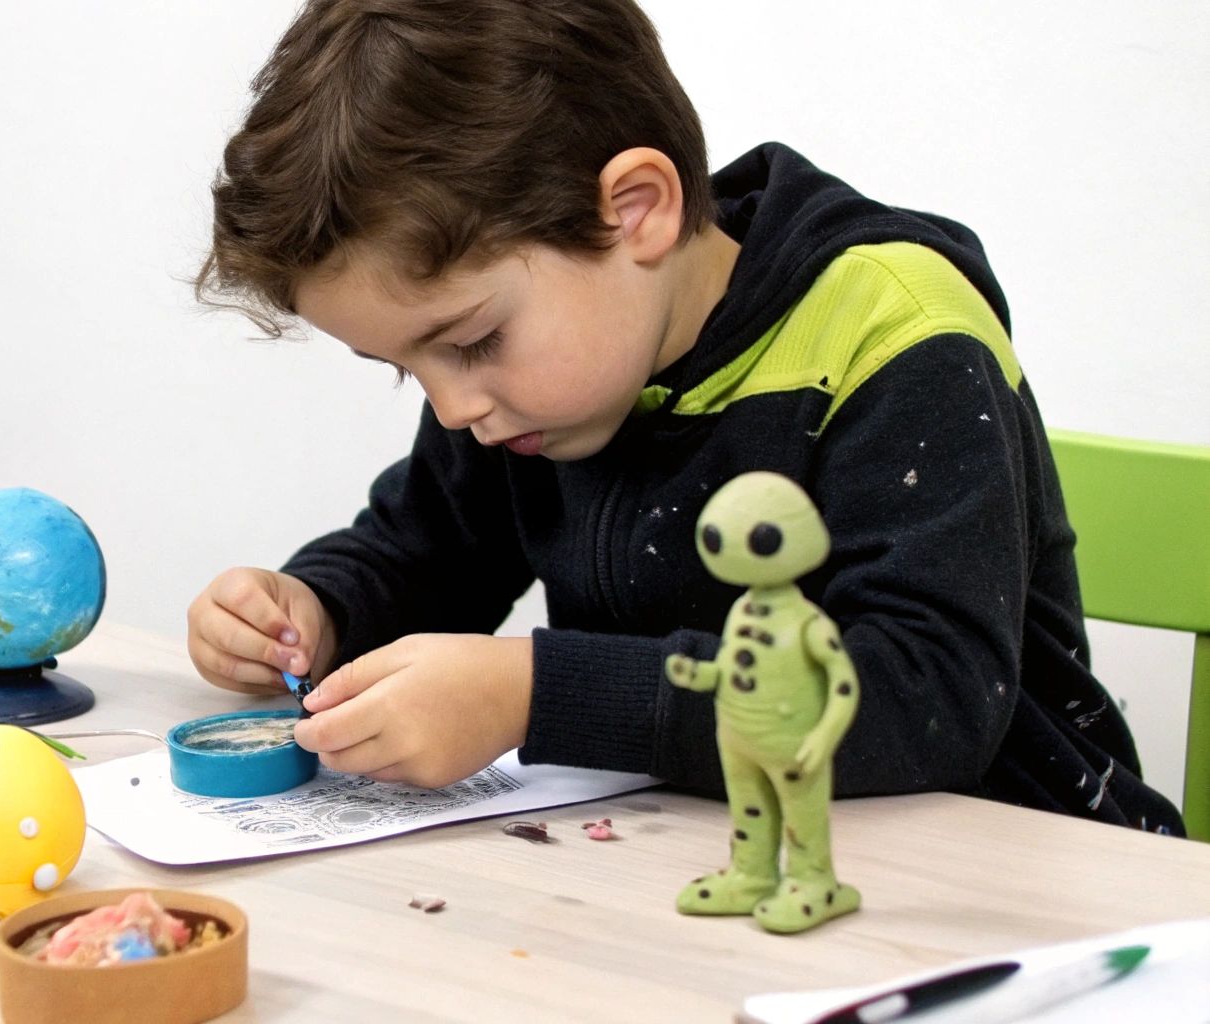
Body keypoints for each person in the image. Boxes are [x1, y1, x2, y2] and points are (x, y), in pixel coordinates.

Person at [185, 0, 1184, 834]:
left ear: (634, 210)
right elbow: (424, 552)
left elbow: (920, 694)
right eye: (403, 369)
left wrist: (534, 692)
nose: (453, 406)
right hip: (720, 866)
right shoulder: (530, 398)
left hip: (1010, 877)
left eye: (468, 341)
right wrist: (314, 610)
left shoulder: (892, 334)